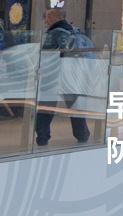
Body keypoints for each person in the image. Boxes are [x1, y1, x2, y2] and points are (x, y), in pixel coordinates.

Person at [35, 8, 91, 146]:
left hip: (54, 75)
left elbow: (47, 55)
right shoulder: (75, 31)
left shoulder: (55, 33)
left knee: (46, 106)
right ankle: (82, 135)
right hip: (72, 74)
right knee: (74, 105)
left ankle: (42, 137)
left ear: (59, 18)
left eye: (49, 16)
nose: (46, 20)